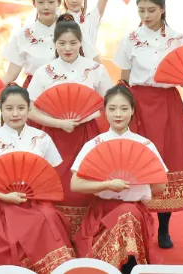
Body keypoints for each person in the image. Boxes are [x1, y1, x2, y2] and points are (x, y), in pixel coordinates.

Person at [113, 0, 183, 249]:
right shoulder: (131, 38)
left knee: (167, 161)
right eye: (141, 10)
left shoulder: (176, 39)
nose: (146, 15)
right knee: (137, 162)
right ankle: (137, 227)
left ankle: (164, 228)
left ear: (163, 9)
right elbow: (124, 79)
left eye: (151, 10)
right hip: (139, 104)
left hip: (167, 103)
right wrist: (122, 108)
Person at [0, 85, 75, 273]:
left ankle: (52, 266)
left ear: (29, 108)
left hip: (34, 199)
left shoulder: (41, 137)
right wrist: (5, 197)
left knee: (48, 216)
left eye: (21, 108)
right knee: (20, 227)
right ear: (1, 109)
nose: (15, 114)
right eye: (9, 108)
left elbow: (50, 174)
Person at [27, 14, 113, 234]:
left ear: (81, 43)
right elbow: (29, 108)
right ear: (54, 43)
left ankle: (87, 232)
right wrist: (56, 122)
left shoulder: (94, 69)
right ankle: (58, 232)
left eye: (73, 43)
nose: (68, 48)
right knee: (58, 182)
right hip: (53, 136)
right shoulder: (44, 71)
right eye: (62, 43)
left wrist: (93, 113)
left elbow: (110, 101)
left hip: (87, 134)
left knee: (85, 178)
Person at [71, 84, 165, 274]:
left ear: (132, 110)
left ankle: (127, 267)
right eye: (112, 109)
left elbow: (160, 185)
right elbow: (75, 184)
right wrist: (108, 185)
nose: (118, 114)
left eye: (124, 108)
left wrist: (136, 186)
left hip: (135, 211)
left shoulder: (145, 144)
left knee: (128, 213)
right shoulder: (94, 144)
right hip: (102, 212)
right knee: (126, 214)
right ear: (104, 111)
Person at [1, 0, 64, 87]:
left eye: (51, 2)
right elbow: (10, 75)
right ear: (34, 3)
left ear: (59, 2)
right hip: (34, 92)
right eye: (41, 2)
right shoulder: (23, 35)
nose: (46, 7)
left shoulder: (70, 30)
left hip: (64, 91)